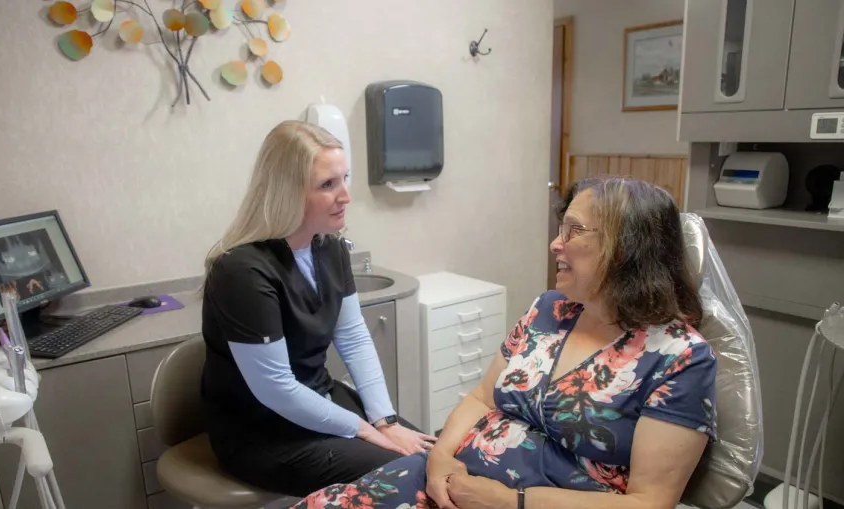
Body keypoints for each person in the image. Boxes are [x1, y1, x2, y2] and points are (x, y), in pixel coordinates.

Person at [290, 176, 718, 509]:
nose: (555, 244)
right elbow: (481, 397)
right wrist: (439, 459)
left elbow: (650, 502)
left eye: (573, 231)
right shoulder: (550, 310)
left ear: (627, 250)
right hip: (454, 478)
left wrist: (509, 502)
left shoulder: (679, 359)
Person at [200, 120, 436, 496]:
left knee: (431, 461)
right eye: (328, 185)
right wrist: (365, 429)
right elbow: (276, 389)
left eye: (345, 178)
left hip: (318, 399)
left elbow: (354, 337)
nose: (346, 196)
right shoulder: (242, 271)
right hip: (262, 433)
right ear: (287, 193)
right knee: (406, 476)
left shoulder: (330, 247)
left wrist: (386, 420)